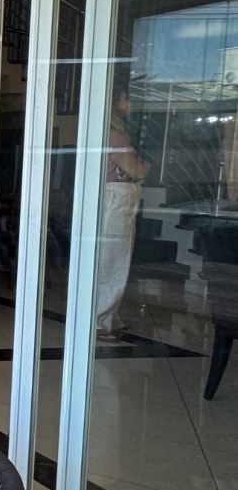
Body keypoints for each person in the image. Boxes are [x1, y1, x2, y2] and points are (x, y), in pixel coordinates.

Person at [95, 82, 150, 343]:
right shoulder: (113, 136)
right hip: (117, 197)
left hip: (113, 196)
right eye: (126, 99)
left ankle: (107, 317)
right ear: (115, 102)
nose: (130, 104)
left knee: (111, 257)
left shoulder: (107, 132)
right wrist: (143, 167)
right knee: (112, 258)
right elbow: (137, 169)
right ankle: (99, 320)